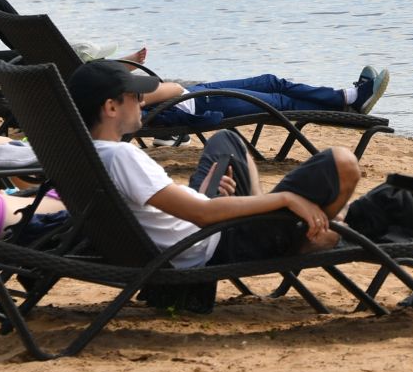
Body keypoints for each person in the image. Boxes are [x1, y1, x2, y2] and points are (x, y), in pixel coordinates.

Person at [67, 59, 357, 266]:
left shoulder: (82, 152)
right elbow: (203, 215)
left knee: (226, 140)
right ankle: (302, 238)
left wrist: (201, 193)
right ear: (111, 107)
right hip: (211, 240)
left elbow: (179, 207)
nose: (143, 101)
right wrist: (285, 199)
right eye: (135, 96)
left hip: (193, 229)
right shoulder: (121, 156)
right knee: (342, 162)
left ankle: (277, 220)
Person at [134, 63, 391, 128]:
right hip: (199, 103)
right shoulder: (125, 106)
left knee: (270, 81)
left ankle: (345, 98)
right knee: (282, 104)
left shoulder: (112, 105)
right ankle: (349, 104)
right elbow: (173, 90)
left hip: (198, 95)